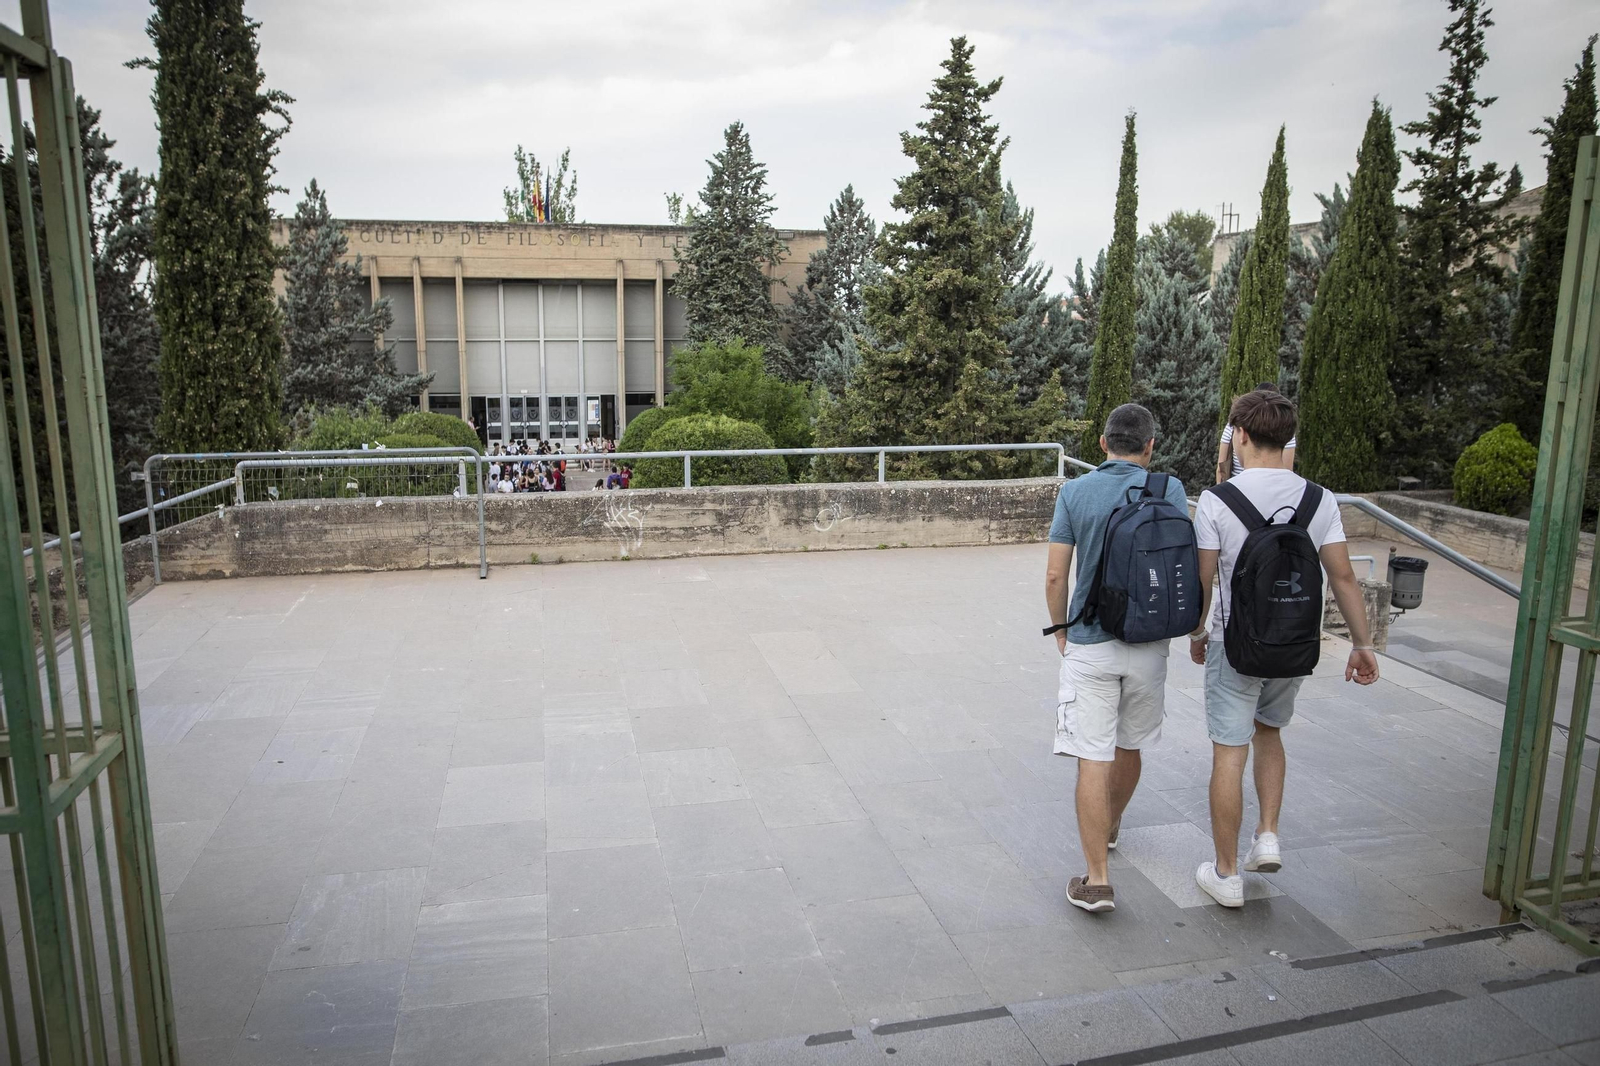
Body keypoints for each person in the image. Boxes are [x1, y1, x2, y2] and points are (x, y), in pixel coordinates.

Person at [1190, 389, 1378, 908]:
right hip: (1294, 642)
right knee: (1269, 732)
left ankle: (1226, 875)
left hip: (1237, 644)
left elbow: (1204, 581)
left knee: (1229, 750)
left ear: (1241, 435)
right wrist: (1361, 644)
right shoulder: (1320, 499)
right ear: (1286, 437)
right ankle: (1266, 835)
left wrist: (1198, 633)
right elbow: (1342, 575)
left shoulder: (1216, 500)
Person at [1044, 403, 1191, 914]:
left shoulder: (1075, 492)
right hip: (1149, 644)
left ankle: (1098, 880)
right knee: (1130, 746)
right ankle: (1108, 828)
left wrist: (1062, 628)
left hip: (1091, 640)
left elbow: (1056, 575)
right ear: (1150, 447)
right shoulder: (1168, 490)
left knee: (1092, 754)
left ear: (1102, 444)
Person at [1216, 383, 1296, 482]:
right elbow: (1287, 471)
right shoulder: (1286, 428)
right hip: (1273, 490)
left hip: (1235, 489)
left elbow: (1221, 467)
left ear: (1242, 433)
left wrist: (1221, 492)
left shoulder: (1234, 425)